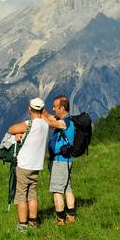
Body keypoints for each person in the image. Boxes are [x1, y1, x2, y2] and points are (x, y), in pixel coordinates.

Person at [0, 98, 58, 234]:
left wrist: (18, 133)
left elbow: (11, 129)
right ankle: (33, 222)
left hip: (24, 165)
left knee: (21, 196)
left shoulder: (29, 124)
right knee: (32, 195)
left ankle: (22, 226)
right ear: (42, 110)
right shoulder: (45, 124)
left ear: (29, 109)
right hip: (36, 166)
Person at [48, 95, 84, 224]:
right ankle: (71, 216)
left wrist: (38, 118)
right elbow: (50, 118)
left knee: (57, 190)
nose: (53, 109)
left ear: (62, 108)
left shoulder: (65, 122)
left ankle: (60, 219)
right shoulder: (69, 121)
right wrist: (41, 113)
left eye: (55, 107)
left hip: (59, 161)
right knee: (67, 188)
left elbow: (51, 122)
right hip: (66, 160)